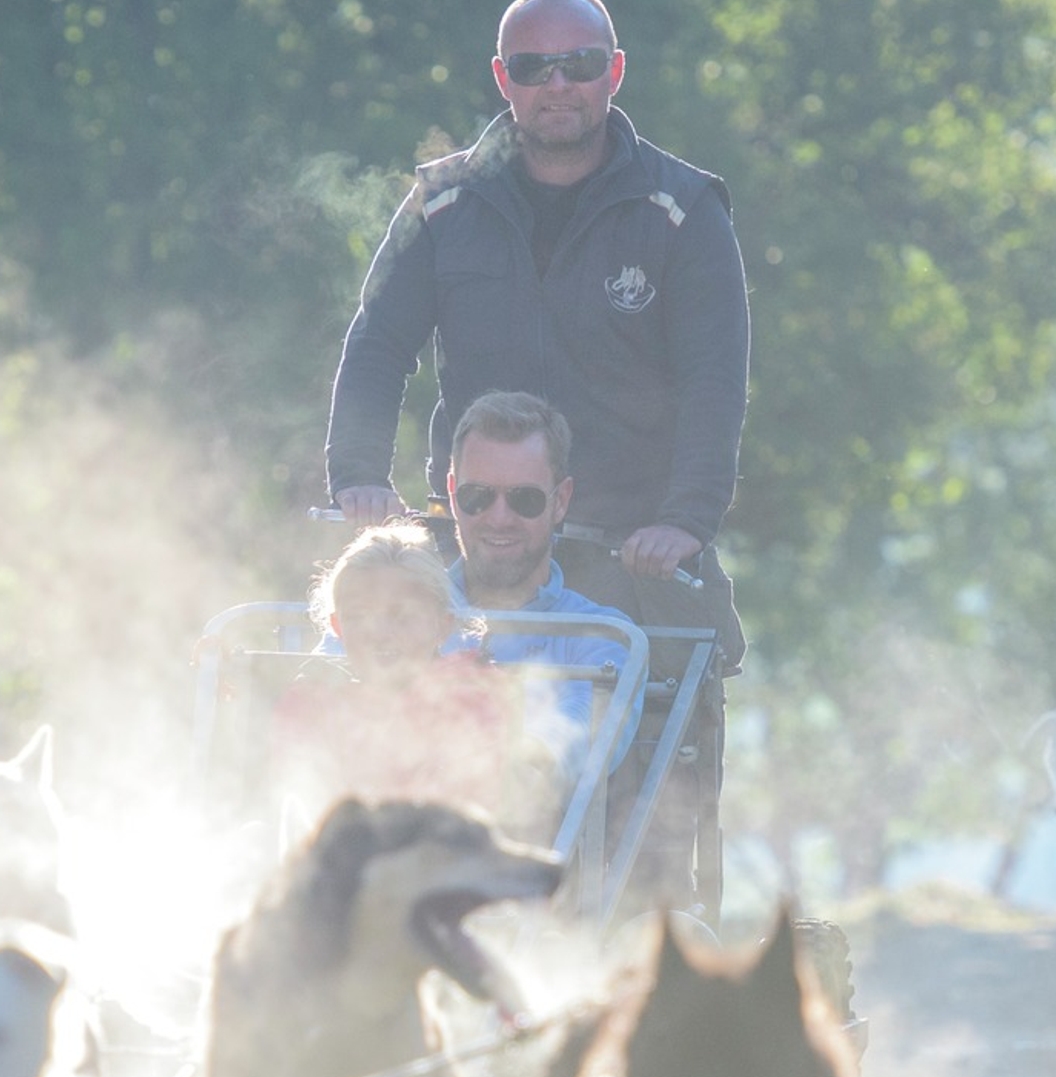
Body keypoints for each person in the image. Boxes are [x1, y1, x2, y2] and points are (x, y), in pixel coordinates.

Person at [322, 0, 748, 907]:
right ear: (502, 77)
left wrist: (684, 520)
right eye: (535, 67)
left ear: (615, 71)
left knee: (638, 791)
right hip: (475, 531)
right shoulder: (442, 201)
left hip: (632, 552)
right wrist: (359, 477)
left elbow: (716, 381)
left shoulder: (681, 209)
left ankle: (623, 952)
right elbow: (376, 345)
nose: (558, 84)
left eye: (579, 62)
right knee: (369, 686)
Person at [440, 392, 639, 805]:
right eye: (477, 496)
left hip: (525, 854)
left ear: (561, 501)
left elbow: (576, 740)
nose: (499, 518)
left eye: (524, 499)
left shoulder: (604, 636)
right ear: (452, 492)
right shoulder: (391, 609)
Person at [278, 523, 519, 813]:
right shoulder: (315, 702)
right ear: (337, 627)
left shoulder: (473, 698)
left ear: (442, 626)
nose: (379, 631)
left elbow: (473, 812)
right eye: (358, 616)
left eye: (402, 615)